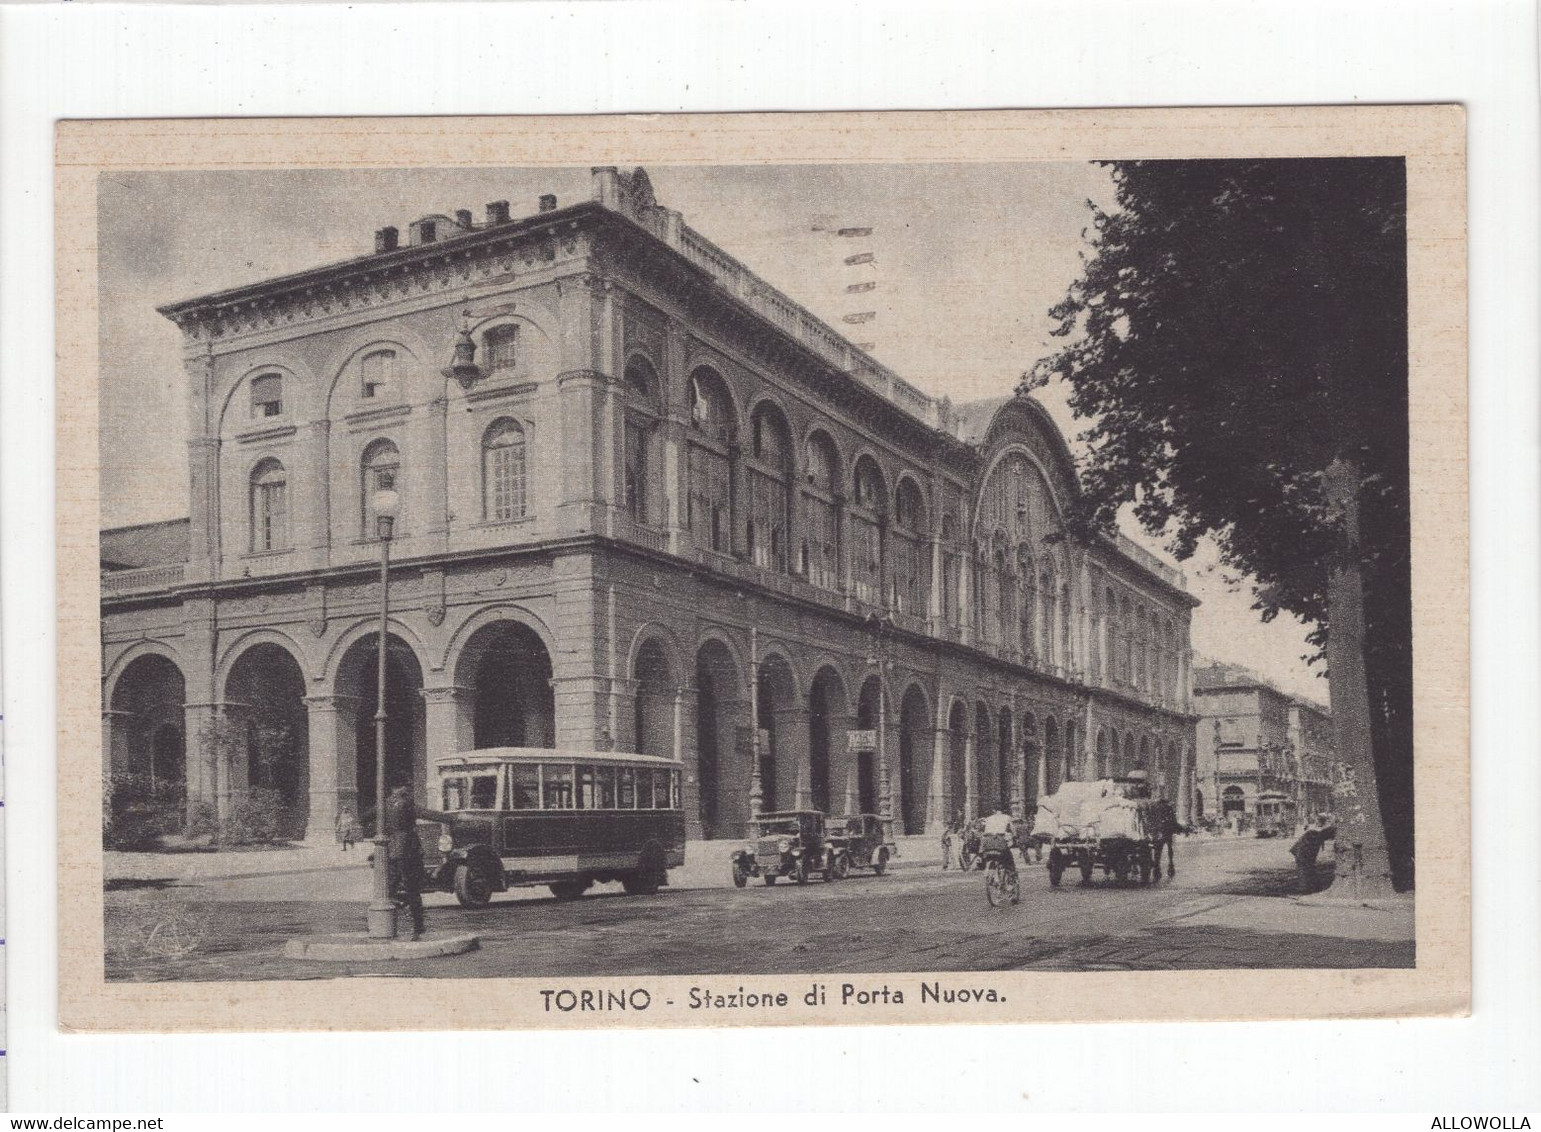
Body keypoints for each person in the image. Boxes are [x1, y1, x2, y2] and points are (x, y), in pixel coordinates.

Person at [383, 786, 451, 939]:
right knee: (413, 890)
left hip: (391, 852)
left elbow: (366, 817)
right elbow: (427, 814)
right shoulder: (406, 803)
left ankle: (386, 927)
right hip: (409, 851)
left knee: (389, 889)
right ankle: (418, 927)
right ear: (402, 789)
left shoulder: (386, 803)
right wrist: (453, 818)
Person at [1289, 813, 1337, 894]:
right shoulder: (1316, 831)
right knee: (1304, 870)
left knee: (1307, 869)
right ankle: (1305, 888)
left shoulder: (1317, 830)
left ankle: (1310, 886)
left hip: (1303, 852)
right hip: (1303, 853)